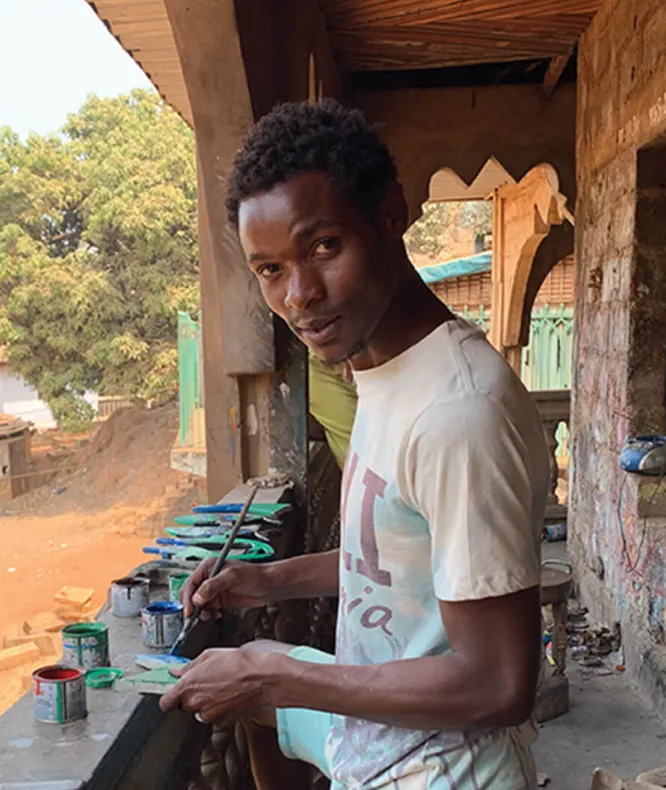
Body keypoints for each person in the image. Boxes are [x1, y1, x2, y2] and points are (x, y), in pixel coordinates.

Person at [159, 100, 549, 789]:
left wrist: (277, 672)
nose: (300, 295)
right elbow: (399, 552)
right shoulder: (384, 369)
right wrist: (268, 581)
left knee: (264, 678)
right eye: (269, 270)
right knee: (258, 694)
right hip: (377, 748)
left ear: (390, 214)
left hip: (446, 770)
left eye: (323, 247)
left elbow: (498, 684)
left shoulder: (458, 412)